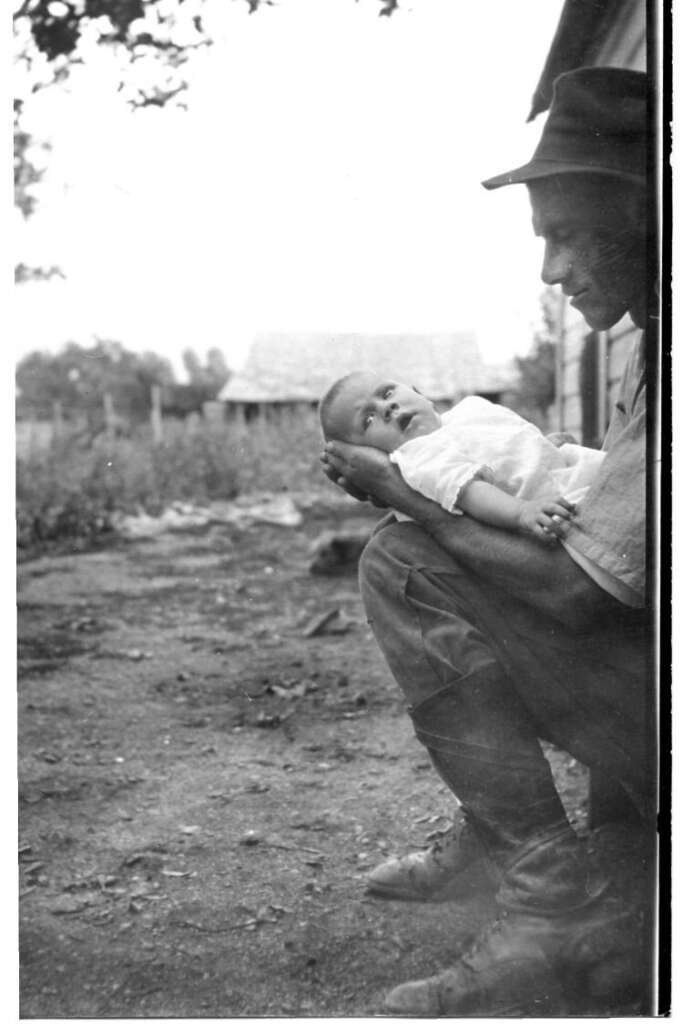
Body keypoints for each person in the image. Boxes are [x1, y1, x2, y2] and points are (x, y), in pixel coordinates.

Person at [321, 66, 657, 1015]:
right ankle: (512, 836)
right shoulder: (648, 348)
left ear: (642, 217)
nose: (550, 272)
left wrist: (407, 498)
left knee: (404, 562)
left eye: (563, 236)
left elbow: (586, 595)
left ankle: (553, 908)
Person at [319, 372, 606, 546]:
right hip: (552, 505)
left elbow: (506, 442)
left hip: (572, 469)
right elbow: (470, 492)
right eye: (368, 419)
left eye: (387, 392)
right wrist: (521, 512)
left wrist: (544, 444)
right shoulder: (420, 457)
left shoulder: (466, 411)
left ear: (418, 392)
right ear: (369, 455)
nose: (386, 407)